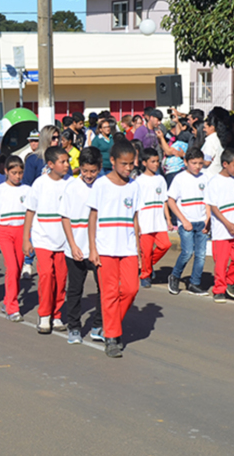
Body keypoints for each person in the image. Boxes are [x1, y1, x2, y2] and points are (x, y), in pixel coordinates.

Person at [86, 139, 142, 358]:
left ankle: (111, 325)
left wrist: (138, 250)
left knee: (130, 289)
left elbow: (135, 218)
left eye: (131, 164)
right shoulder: (101, 184)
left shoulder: (134, 187)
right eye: (124, 164)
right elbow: (93, 216)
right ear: (112, 161)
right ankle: (112, 337)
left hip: (127, 248)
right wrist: (92, 247)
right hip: (105, 247)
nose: (128, 168)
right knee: (109, 293)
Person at [24, 146, 71, 334]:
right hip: (42, 238)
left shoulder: (71, 183)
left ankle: (57, 314)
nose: (67, 165)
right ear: (51, 164)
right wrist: (26, 239)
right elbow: (30, 211)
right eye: (63, 161)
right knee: (46, 277)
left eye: (67, 161)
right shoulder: (39, 184)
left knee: (61, 278)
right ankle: (44, 315)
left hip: (63, 241)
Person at [60, 146, 104, 344]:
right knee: (75, 289)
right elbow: (65, 218)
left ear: (99, 168)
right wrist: (72, 244)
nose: (88, 175)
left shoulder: (104, 186)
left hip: (99, 249)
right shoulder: (71, 187)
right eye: (85, 171)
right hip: (76, 249)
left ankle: (98, 325)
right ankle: (74, 327)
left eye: (93, 171)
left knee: (104, 289)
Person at [0, 155, 29, 321]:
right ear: (6, 171)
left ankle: (7, 301)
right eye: (14, 172)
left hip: (22, 231)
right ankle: (12, 307)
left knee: (17, 269)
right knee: (11, 268)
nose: (17, 176)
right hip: (4, 231)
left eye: (20, 172)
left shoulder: (27, 190)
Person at [205, 149, 234, 303]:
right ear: (225, 164)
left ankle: (230, 281)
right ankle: (219, 289)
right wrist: (227, 224)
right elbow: (214, 207)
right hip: (222, 230)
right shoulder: (214, 182)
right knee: (221, 262)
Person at [167, 147, 210, 296]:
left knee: (201, 254)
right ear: (185, 162)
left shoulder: (205, 178)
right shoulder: (179, 178)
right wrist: (183, 220)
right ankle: (175, 276)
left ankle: (195, 282)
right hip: (186, 222)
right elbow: (171, 200)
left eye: (200, 163)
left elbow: (208, 201)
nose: (197, 166)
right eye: (194, 163)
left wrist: (208, 219)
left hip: (201, 221)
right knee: (187, 252)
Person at [136, 147, 172, 289]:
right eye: (152, 161)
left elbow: (164, 200)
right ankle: (145, 275)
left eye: (157, 161)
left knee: (165, 245)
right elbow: (137, 205)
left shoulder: (161, 179)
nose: (156, 164)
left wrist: (168, 219)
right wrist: (137, 223)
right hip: (145, 221)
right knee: (146, 250)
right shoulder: (139, 181)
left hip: (158, 221)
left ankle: (148, 264)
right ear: (144, 163)